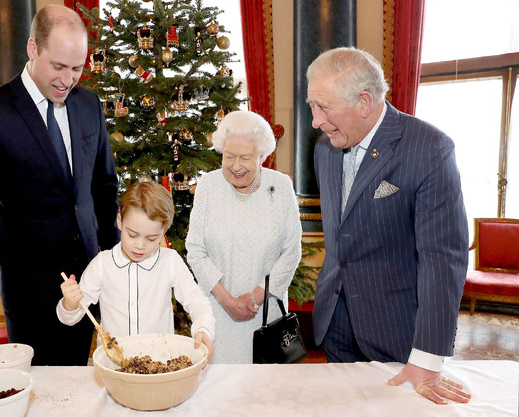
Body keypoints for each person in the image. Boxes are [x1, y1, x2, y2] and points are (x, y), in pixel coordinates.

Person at [0, 5, 120, 366]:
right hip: (31, 290)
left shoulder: (89, 105)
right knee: (40, 390)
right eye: (58, 66)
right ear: (32, 48)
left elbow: (104, 189)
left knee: (77, 378)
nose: (68, 79)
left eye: (76, 69)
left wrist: (116, 261)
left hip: (88, 278)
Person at [307, 47, 471, 404]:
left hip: (396, 331)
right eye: (311, 106)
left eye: (324, 107)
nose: (316, 121)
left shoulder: (429, 148)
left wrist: (428, 357)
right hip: (334, 322)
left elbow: (443, 259)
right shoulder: (324, 148)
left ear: (364, 102)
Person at [185, 111, 302, 364]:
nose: (236, 166)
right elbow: (195, 249)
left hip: (265, 315)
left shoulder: (280, 186)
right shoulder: (207, 186)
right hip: (217, 312)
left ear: (262, 156)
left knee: (264, 392)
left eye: (246, 158)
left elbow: (291, 251)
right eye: (229, 157)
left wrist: (253, 298)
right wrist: (227, 300)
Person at [58, 181, 215, 360]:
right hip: (113, 365)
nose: (140, 246)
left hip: (159, 363)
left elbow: (199, 303)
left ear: (165, 229)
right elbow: (70, 318)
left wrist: (203, 329)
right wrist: (70, 304)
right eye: (132, 235)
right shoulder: (102, 264)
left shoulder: (170, 261)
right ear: (120, 221)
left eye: (151, 238)